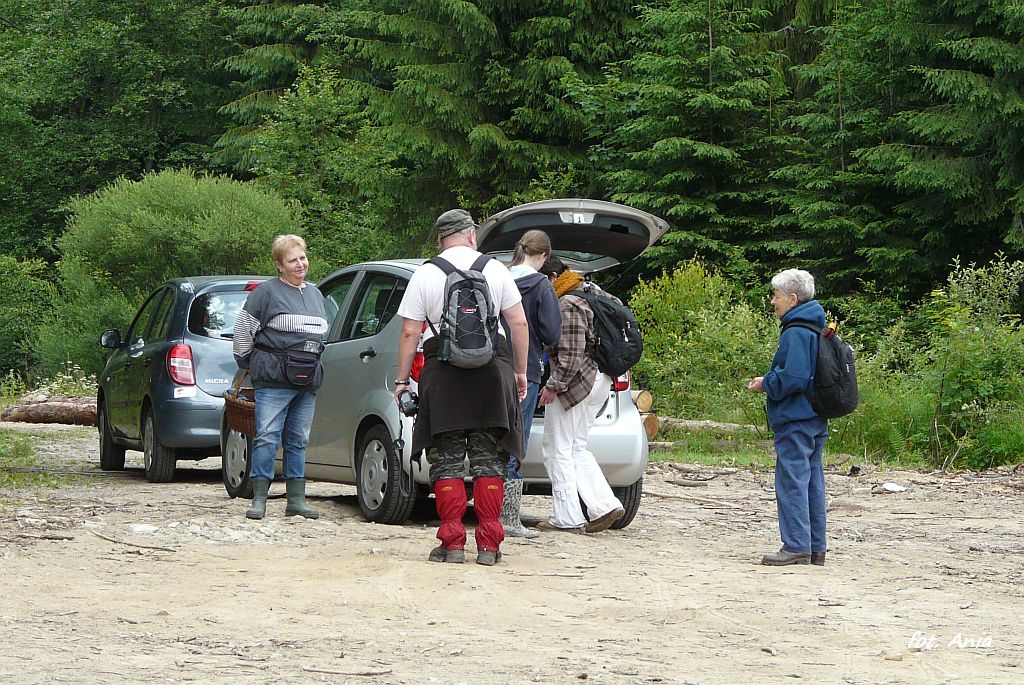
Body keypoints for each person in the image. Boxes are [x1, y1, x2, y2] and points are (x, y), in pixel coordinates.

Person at [394, 208, 531, 566]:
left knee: (447, 465)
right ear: (471, 234)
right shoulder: (495, 268)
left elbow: (410, 331)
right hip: (492, 375)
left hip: (444, 376)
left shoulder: (426, 273)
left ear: (440, 239)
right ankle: (489, 545)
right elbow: (518, 324)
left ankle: (453, 542)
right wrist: (519, 373)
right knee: (490, 464)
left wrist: (401, 380)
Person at [232, 234, 327, 521]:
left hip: (307, 380)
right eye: (292, 260)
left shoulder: (315, 294)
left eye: (303, 257)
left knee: (298, 439)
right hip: (272, 379)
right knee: (267, 438)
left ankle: (296, 500)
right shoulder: (265, 293)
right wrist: (253, 363)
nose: (300, 264)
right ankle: (259, 499)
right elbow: (242, 332)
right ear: (279, 265)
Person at [746, 268, 829, 566]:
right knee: (812, 481)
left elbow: (793, 377)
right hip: (816, 416)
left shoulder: (795, 332)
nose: (772, 302)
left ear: (793, 299)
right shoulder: (816, 327)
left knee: (792, 481)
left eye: (776, 296)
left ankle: (796, 545)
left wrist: (765, 383)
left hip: (796, 418)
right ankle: (815, 546)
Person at [537, 261, 625, 534]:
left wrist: (554, 385)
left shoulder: (568, 303)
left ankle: (567, 518)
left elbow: (571, 353)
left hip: (576, 383)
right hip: (602, 379)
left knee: (557, 449)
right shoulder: (596, 292)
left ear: (553, 276)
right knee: (576, 447)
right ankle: (604, 505)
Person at [500, 230, 562, 538]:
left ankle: (487, 511)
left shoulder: (499, 277)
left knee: (493, 433)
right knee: (516, 437)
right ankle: (508, 518)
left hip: (494, 366)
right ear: (544, 256)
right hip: (527, 369)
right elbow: (552, 332)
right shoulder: (540, 285)